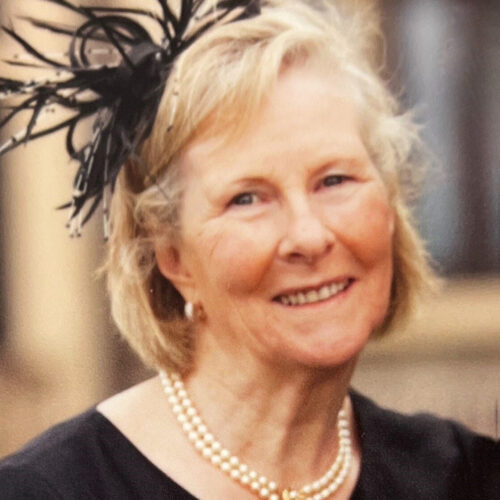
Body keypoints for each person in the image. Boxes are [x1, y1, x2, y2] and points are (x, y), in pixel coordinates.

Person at [0, 0, 497, 499]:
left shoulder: (465, 478)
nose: (309, 237)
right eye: (247, 199)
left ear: (390, 204)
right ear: (172, 257)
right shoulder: (48, 490)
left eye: (334, 180)